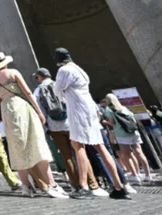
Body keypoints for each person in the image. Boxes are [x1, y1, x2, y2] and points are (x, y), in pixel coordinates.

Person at [53, 48, 130, 200]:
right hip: (90, 109)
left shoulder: (64, 70)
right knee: (100, 147)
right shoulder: (79, 69)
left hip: (77, 109)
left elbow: (57, 90)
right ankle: (118, 186)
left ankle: (83, 186)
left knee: (78, 145)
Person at [0, 52, 66, 199]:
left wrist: (5, 96)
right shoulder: (13, 72)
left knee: (16, 148)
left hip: (7, 110)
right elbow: (28, 92)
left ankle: (26, 187)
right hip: (21, 107)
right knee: (36, 143)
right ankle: (52, 185)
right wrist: (39, 112)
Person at [32, 68, 108, 197]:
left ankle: (76, 185)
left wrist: (46, 127)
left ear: (40, 77)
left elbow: (40, 110)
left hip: (54, 126)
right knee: (80, 153)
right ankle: (93, 184)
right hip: (71, 123)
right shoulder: (60, 84)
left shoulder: (38, 90)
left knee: (66, 156)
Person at [103, 93, 153, 183]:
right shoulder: (124, 108)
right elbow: (133, 119)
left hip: (122, 134)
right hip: (133, 132)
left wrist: (106, 122)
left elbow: (112, 123)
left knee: (127, 155)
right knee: (139, 153)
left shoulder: (109, 109)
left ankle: (135, 175)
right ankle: (147, 175)